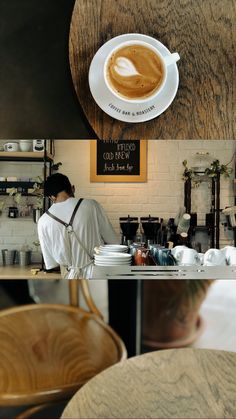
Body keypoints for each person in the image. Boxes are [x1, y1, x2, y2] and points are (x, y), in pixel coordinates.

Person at [37, 173, 119, 279]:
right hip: (97, 274)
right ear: (72, 188)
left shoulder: (43, 221)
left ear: (51, 197)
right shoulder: (91, 205)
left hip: (68, 275)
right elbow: (113, 241)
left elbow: (51, 264)